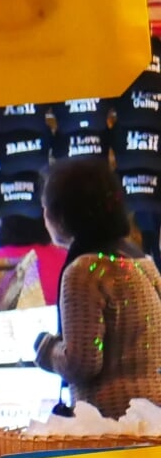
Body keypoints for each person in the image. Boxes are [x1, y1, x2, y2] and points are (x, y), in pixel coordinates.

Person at [33, 158, 161, 418]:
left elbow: (82, 363)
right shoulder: (141, 260)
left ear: (63, 214)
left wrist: (47, 349)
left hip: (110, 425)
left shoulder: (86, 271)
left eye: (46, 208)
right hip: (150, 418)